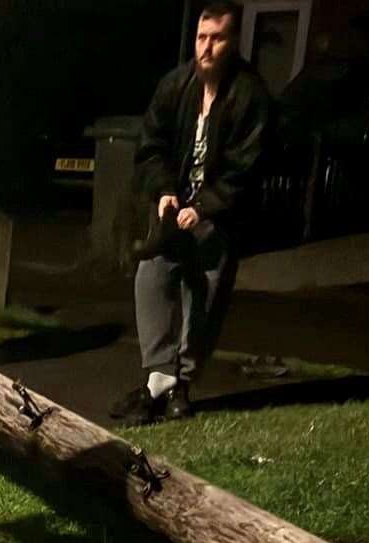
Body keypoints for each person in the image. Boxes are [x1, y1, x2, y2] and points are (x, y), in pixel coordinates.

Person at [111, 0, 271, 425]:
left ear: (233, 42)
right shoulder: (177, 85)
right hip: (175, 206)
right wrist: (164, 191)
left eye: (217, 38)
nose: (207, 47)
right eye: (202, 37)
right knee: (153, 274)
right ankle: (159, 377)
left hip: (218, 216)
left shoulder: (249, 95)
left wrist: (205, 208)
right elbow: (152, 144)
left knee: (206, 293)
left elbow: (247, 166)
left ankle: (182, 382)